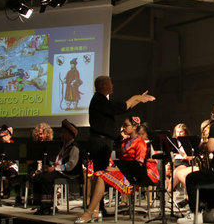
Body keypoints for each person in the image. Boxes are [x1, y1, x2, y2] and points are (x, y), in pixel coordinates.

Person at [74, 75, 155, 224]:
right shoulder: (99, 100)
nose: (112, 85)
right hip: (100, 143)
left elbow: (122, 107)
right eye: (110, 83)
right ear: (104, 86)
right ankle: (90, 211)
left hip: (103, 143)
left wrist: (137, 100)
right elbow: (121, 107)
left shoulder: (101, 101)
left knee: (99, 176)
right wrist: (136, 97)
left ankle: (95, 211)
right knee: (100, 176)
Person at [33, 119, 81, 215]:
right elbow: (58, 161)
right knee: (38, 176)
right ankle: (43, 204)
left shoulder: (74, 147)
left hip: (69, 174)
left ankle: (46, 207)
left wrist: (55, 169)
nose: (62, 135)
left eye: (64, 132)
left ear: (70, 134)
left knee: (46, 178)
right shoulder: (64, 147)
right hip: (60, 171)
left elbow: (71, 165)